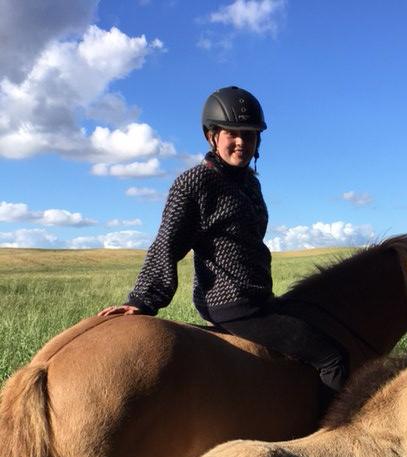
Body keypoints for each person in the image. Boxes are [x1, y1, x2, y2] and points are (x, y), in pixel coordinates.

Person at [99, 86, 348, 405]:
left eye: (250, 134)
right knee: (332, 358)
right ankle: (325, 442)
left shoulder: (250, 183)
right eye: (233, 133)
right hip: (232, 304)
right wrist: (142, 301)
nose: (242, 142)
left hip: (259, 299)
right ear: (211, 136)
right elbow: (167, 243)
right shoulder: (196, 183)